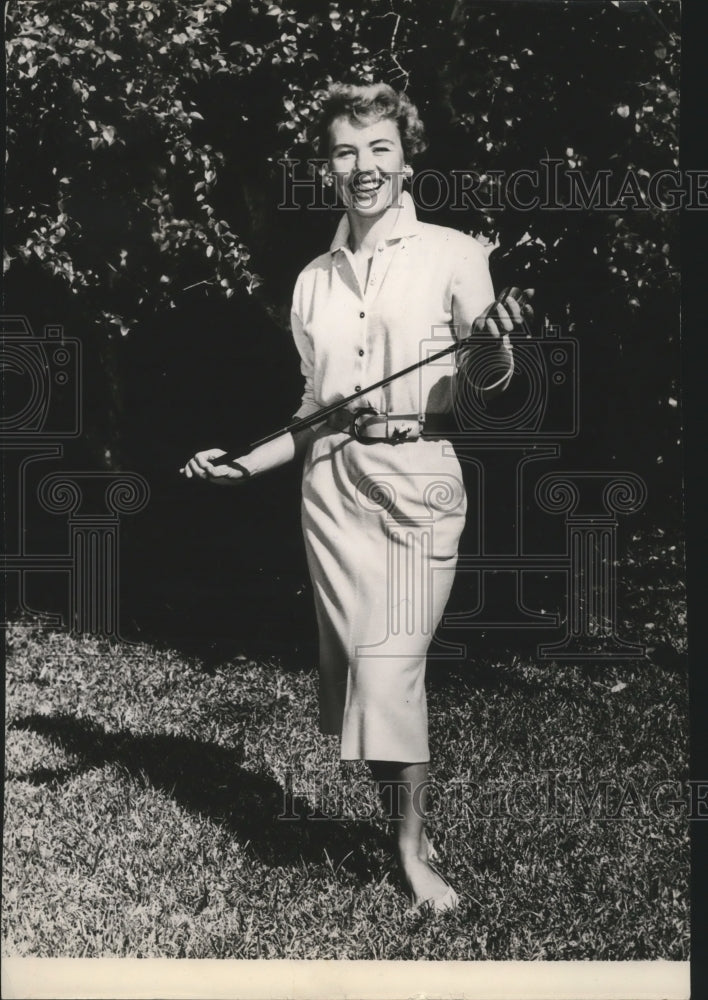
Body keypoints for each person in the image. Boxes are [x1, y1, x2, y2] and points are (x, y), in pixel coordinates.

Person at [182, 82, 530, 911]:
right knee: (355, 680)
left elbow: (494, 389)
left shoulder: (457, 256)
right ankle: (405, 825)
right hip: (331, 488)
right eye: (346, 150)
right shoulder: (311, 282)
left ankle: (408, 855)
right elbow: (313, 411)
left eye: (379, 147)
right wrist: (244, 465)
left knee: (389, 669)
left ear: (407, 157)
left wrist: (489, 349)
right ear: (328, 165)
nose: (363, 166)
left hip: (421, 483)